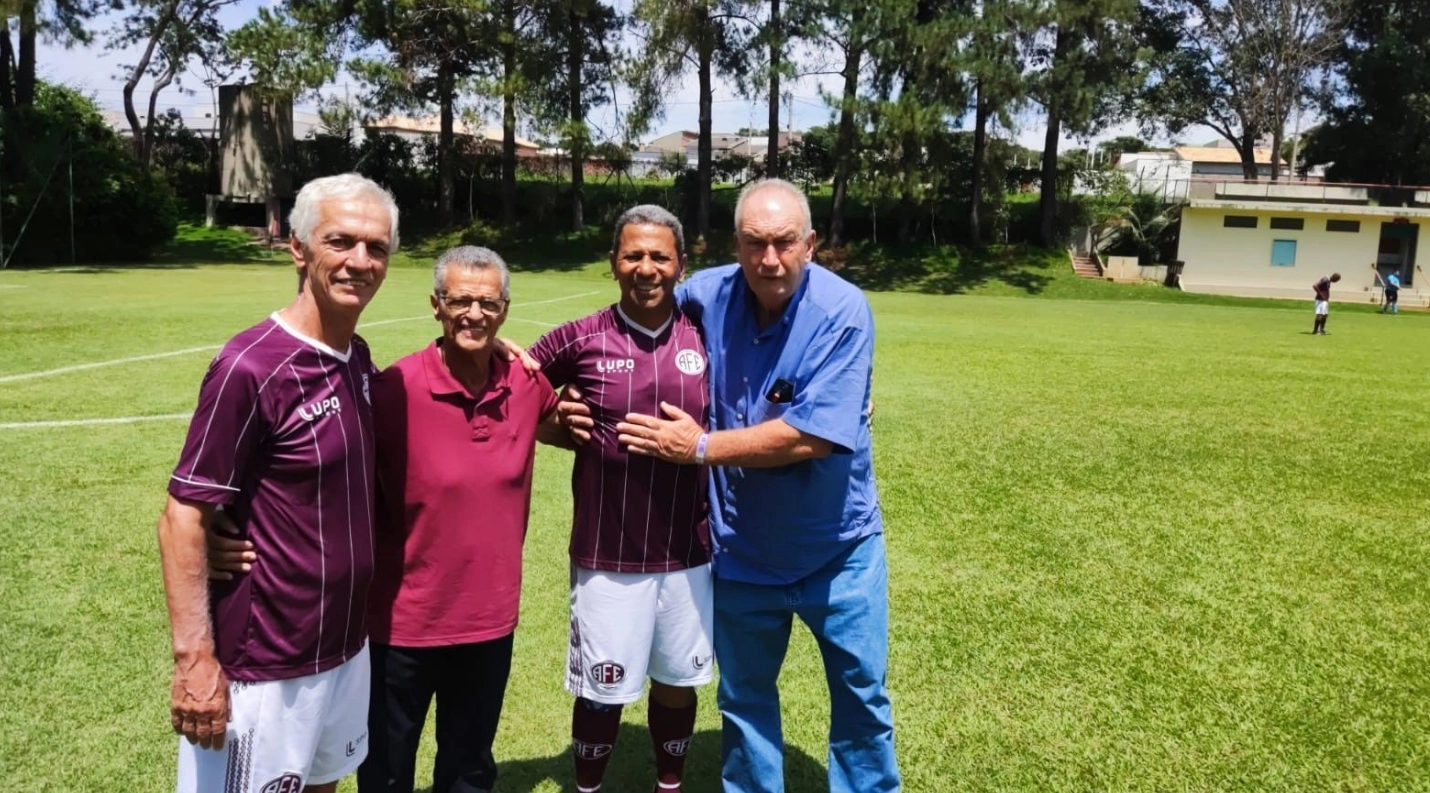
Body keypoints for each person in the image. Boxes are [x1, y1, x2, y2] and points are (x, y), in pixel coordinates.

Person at [569, 179, 900, 793]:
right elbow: (638, 313)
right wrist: (565, 387)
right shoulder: (707, 294)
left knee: (860, 694)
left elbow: (811, 438)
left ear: (811, 243)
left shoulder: (844, 309)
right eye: (754, 243)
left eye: (784, 243)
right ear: (736, 245)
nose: (769, 260)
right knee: (745, 699)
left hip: (839, 550)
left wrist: (697, 447)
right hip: (742, 550)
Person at [157, 173, 397, 793]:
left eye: (377, 248)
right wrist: (195, 661)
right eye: (340, 241)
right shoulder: (252, 366)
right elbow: (183, 516)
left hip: (345, 649)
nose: (360, 261)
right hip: (266, 660)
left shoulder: (358, 358)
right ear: (299, 248)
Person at [350, 246, 562, 793]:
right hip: (401, 626)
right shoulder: (392, 390)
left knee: (469, 768)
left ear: (506, 310)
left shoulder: (525, 383)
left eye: (488, 302)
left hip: (489, 620)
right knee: (386, 769)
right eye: (460, 300)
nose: (474, 314)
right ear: (436, 306)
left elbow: (586, 417)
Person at [527, 204, 714, 793]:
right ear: (614, 263)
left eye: (660, 256)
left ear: (681, 264)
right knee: (602, 687)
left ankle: (670, 784)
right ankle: (588, 787)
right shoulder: (580, 336)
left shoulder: (707, 334)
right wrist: (555, 422)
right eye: (633, 255)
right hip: (608, 550)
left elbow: (765, 385)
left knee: (677, 682)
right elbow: (510, 385)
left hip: (691, 549)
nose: (647, 268)